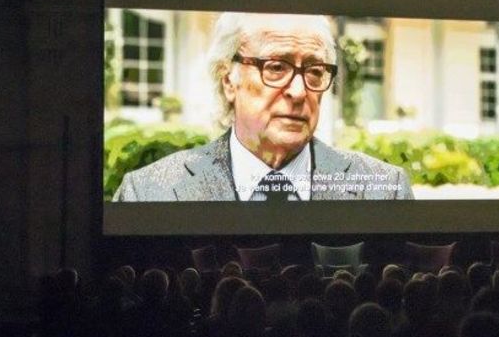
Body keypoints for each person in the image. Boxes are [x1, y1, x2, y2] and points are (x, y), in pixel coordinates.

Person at [113, 12, 413, 201]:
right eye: (276, 67)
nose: (299, 92)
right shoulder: (149, 191)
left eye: (314, 71)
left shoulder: (386, 189)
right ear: (228, 80)